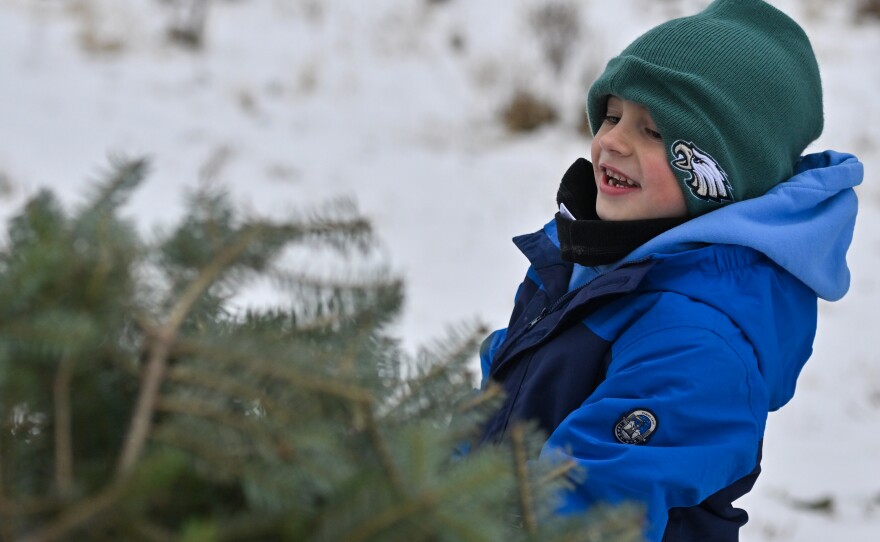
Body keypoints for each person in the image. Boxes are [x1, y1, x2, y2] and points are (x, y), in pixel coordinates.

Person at [474, 0, 863, 540]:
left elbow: (586, 512)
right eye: (611, 116)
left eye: (654, 131)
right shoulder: (583, 261)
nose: (611, 140)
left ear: (719, 177)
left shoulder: (695, 337)